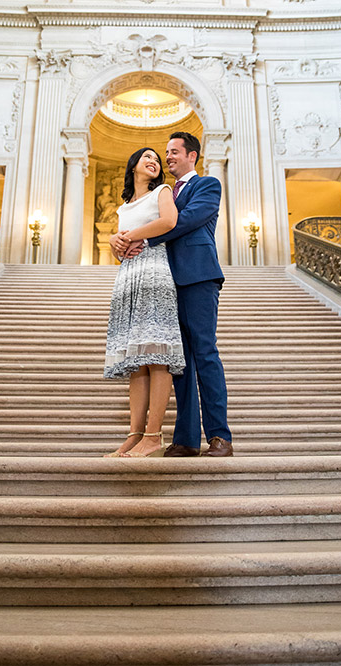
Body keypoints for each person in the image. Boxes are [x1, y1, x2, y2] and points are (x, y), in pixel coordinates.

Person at [119, 132, 233, 458]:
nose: (168, 157)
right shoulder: (160, 194)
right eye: (165, 153)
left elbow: (184, 221)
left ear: (191, 156)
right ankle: (184, 439)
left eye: (173, 152)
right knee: (177, 362)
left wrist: (143, 238)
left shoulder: (208, 185)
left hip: (198, 277)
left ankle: (220, 437)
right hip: (164, 283)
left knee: (205, 354)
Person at [104, 147, 185, 458]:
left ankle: (153, 435)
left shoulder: (162, 191)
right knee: (136, 363)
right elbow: (121, 251)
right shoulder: (124, 207)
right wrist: (115, 243)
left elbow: (169, 221)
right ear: (133, 164)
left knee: (156, 353)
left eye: (157, 158)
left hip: (154, 271)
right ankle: (134, 435)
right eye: (147, 157)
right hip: (128, 277)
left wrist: (128, 236)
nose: (153, 161)